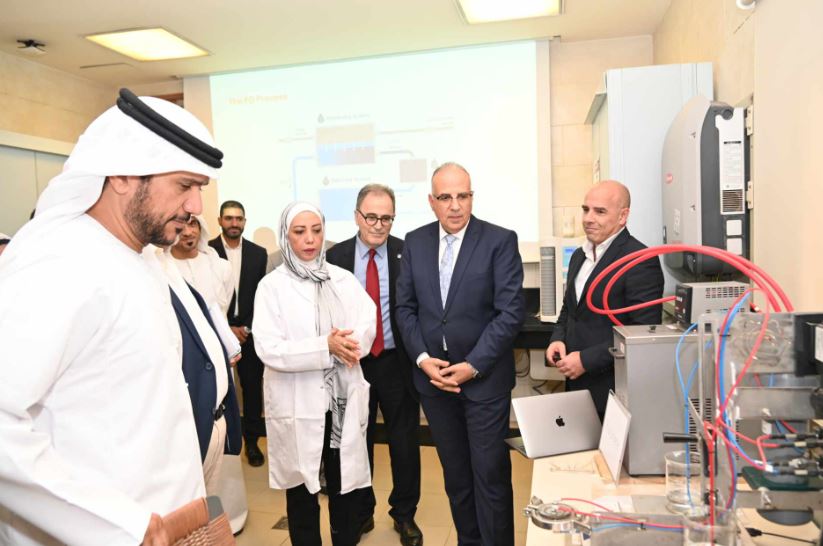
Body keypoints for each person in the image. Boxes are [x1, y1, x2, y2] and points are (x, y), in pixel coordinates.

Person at [0, 88, 221, 545]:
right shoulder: (59, 261)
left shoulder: (140, 256)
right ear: (122, 174)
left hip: (169, 523)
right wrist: (122, 525)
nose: (197, 207)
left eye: (200, 188)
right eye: (185, 186)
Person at [395, 162, 525, 546]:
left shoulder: (499, 240)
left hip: (484, 382)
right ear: (431, 201)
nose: (455, 206)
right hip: (435, 385)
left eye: (463, 196)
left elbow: (510, 313)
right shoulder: (415, 242)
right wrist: (422, 359)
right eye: (446, 197)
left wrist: (473, 365)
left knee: (490, 476)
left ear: (472, 197)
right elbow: (405, 308)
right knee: (456, 478)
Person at [253, 201, 376, 546]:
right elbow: (268, 347)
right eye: (299, 231)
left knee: (344, 488)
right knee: (302, 494)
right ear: (286, 236)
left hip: (340, 403)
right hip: (298, 403)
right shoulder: (272, 287)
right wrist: (325, 347)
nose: (310, 239)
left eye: (316, 230)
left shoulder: (342, 280)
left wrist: (348, 344)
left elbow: (367, 323)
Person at [326, 184, 423, 546]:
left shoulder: (407, 252)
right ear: (357, 216)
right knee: (356, 441)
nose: (379, 225)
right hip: (353, 363)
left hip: (397, 362)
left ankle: (404, 514)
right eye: (371, 217)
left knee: (404, 443)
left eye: (387, 218)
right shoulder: (335, 256)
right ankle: (362, 512)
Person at [545, 180, 664, 418]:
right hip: (576, 385)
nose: (588, 218)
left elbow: (641, 332)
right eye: (586, 209)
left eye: (600, 211)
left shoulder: (639, 259)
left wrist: (586, 360)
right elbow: (570, 309)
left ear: (623, 216)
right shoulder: (579, 256)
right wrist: (558, 338)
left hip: (612, 389)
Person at [147, 241, 243, 495]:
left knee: (206, 507)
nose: (186, 227)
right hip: (189, 429)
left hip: (213, 422)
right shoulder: (142, 270)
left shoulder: (166, 265)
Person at [209, 200, 269, 466]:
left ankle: (252, 442)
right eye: (229, 218)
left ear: (245, 221)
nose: (234, 223)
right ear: (220, 221)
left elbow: (261, 296)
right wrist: (226, 329)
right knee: (219, 387)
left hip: (248, 333)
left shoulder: (259, 253)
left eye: (239, 218)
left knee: (252, 389)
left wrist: (245, 328)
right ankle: (220, 442)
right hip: (217, 331)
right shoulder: (207, 251)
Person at [171, 215, 234, 314]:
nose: (188, 233)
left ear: (200, 229)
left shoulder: (221, 267)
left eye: (192, 224)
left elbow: (222, 311)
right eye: (180, 225)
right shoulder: (161, 268)